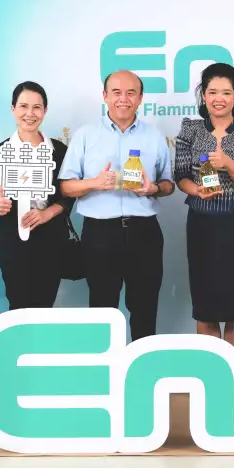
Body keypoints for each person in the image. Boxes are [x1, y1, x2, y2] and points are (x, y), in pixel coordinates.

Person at [58, 70, 174, 341]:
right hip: (100, 233)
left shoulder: (154, 136)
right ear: (105, 96)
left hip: (144, 232)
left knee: (145, 307)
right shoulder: (85, 136)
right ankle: (104, 367)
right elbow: (65, 187)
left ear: (140, 98)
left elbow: (169, 185)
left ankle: (143, 365)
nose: (124, 99)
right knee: (102, 308)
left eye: (131, 93)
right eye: (116, 92)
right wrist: (94, 183)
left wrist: (153, 189)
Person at [174, 63, 234, 344]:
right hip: (201, 226)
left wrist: (228, 164)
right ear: (203, 95)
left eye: (226, 93)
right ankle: (210, 367)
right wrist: (196, 190)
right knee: (205, 307)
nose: (219, 99)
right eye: (212, 92)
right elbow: (180, 177)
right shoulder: (190, 129)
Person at [0, 81, 75, 310]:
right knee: (18, 308)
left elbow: (68, 195)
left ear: (45, 111)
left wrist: (47, 213)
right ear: (13, 109)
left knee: (45, 308)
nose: (30, 114)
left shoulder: (60, 151)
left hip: (52, 242)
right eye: (23, 106)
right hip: (14, 243)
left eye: (37, 107)